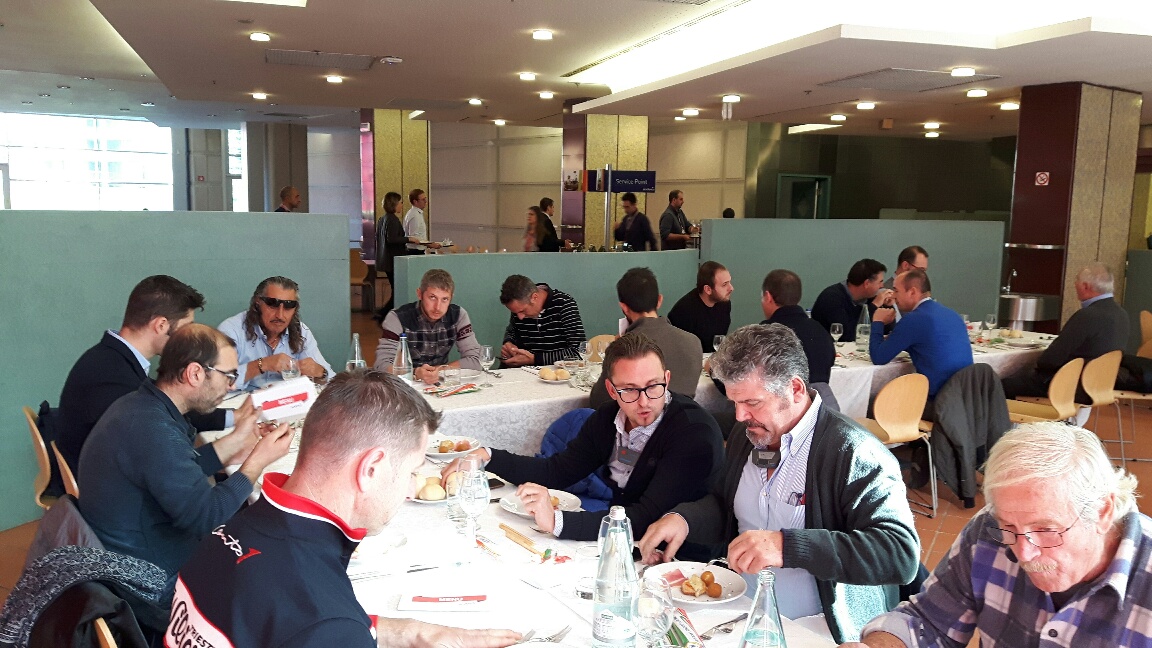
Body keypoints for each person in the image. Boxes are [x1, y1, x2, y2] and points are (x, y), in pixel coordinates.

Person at [168, 370, 522, 648]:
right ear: (371, 469)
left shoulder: (236, 528)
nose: (411, 489)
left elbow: (285, 624)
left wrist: (411, 632)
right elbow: (317, 625)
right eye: (412, 472)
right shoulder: (325, 621)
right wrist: (346, 630)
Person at [638, 324, 919, 644]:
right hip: (742, 612)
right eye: (734, 402)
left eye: (752, 402)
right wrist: (685, 519)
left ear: (795, 389)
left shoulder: (854, 452)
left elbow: (900, 554)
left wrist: (787, 546)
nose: (740, 416)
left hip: (818, 627)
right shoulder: (750, 435)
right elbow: (726, 503)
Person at [849, 423, 1150, 648]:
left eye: (1046, 530)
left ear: (1103, 511)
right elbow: (929, 622)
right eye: (1009, 528)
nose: (1024, 553)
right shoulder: (988, 529)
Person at [447, 333, 723, 541]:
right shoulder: (608, 419)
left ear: (667, 378)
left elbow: (647, 516)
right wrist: (488, 456)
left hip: (681, 555)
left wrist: (557, 521)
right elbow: (557, 471)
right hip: (622, 536)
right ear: (611, 390)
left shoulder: (692, 434)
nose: (644, 402)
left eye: (653, 386)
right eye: (629, 389)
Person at [78, 324, 293, 577]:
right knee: (274, 550)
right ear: (195, 373)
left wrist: (237, 441)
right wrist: (257, 462)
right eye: (229, 376)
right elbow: (206, 516)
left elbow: (176, 472)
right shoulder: (154, 430)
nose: (232, 386)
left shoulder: (141, 405)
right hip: (150, 574)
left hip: (129, 545)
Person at [55, 275, 232, 476]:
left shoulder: (112, 357)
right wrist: (232, 449)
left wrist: (232, 417)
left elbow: (168, 404)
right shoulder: (115, 379)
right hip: (100, 483)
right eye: (186, 328)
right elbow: (168, 469)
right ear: (161, 325)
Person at [1002, 262, 1130, 399]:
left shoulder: (1087, 316)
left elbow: (1050, 360)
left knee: (1000, 384)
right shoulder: (1121, 314)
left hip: (1070, 386)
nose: (1075, 284)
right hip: (1100, 385)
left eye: (1076, 280)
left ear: (1085, 286)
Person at [589, 268, 703, 409]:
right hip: (683, 419)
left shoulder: (622, 349)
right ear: (659, 300)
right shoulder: (693, 341)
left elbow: (599, 402)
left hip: (637, 420)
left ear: (624, 307)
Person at [870, 270, 973, 402]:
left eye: (896, 290)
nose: (893, 296)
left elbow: (878, 357)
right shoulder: (952, 314)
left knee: (877, 403)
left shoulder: (913, 319)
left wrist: (878, 322)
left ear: (912, 292)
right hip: (966, 399)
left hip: (939, 402)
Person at [218, 276, 334, 390]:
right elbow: (217, 381)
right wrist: (263, 364)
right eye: (272, 304)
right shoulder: (231, 330)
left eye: (288, 306)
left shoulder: (302, 332)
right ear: (257, 303)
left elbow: (332, 380)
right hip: (241, 401)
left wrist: (321, 373)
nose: (280, 315)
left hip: (286, 400)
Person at [374, 269, 482, 384]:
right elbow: (381, 365)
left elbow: (475, 360)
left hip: (440, 383)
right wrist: (415, 373)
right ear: (419, 294)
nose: (438, 307)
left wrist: (440, 370)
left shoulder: (458, 315)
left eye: (445, 299)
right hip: (405, 383)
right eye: (432, 297)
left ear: (451, 297)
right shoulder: (397, 317)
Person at [759, 269, 835, 387]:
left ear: (768, 297)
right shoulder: (820, 330)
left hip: (784, 397)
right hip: (819, 397)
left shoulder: (765, 333)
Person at [498, 275, 585, 367]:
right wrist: (509, 343)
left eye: (522, 311)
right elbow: (512, 331)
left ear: (534, 297)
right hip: (522, 370)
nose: (520, 317)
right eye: (515, 312)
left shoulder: (564, 304)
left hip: (556, 371)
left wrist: (535, 359)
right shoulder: (520, 305)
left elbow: (579, 352)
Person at [810, 258, 891, 343]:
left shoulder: (870, 297)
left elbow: (887, 331)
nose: (882, 286)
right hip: (830, 348)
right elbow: (847, 335)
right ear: (867, 283)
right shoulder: (831, 298)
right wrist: (874, 305)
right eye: (880, 282)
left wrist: (887, 305)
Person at [667, 261, 733, 352]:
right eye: (724, 284)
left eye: (729, 282)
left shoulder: (724, 304)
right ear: (708, 289)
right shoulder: (683, 311)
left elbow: (719, 340)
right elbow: (676, 348)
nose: (731, 288)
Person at [374, 191, 410, 316]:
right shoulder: (393, 220)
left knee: (396, 288)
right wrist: (409, 239)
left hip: (385, 259)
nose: (402, 205)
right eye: (400, 203)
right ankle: (384, 313)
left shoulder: (382, 219)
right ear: (394, 204)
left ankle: (383, 312)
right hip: (393, 259)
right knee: (398, 289)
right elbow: (392, 239)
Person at [403, 189, 441, 255]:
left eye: (425, 199)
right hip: (415, 251)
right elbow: (415, 238)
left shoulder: (417, 213)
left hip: (417, 250)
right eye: (423, 199)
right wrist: (430, 244)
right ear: (415, 201)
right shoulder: (414, 215)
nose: (426, 201)